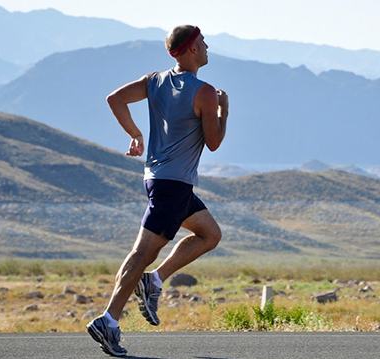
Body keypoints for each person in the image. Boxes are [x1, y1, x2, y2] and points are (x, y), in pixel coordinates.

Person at [86, 24, 228, 357]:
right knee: (141, 253)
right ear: (192, 48)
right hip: (173, 185)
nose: (208, 48)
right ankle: (108, 320)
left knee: (210, 234)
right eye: (204, 43)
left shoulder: (155, 80)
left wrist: (135, 134)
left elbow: (115, 99)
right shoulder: (205, 92)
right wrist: (224, 110)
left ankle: (154, 280)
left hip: (160, 180)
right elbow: (214, 142)